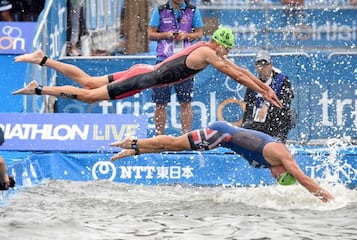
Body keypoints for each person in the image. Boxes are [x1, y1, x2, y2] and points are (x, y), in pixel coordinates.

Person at [12, 27, 282, 109]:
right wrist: (263, 90)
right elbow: (236, 75)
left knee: (88, 81)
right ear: (221, 45)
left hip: (142, 71)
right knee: (89, 96)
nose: (228, 55)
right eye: (228, 50)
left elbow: (243, 72)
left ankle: (43, 59)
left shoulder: (206, 49)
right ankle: (39, 89)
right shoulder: (208, 54)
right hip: (142, 79)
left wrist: (265, 89)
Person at [110, 121, 334, 203]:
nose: (274, 177)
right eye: (280, 176)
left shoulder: (274, 164)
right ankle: (134, 142)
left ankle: (136, 149)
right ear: (285, 170)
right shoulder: (280, 154)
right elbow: (303, 178)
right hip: (221, 134)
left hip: (222, 139)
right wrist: (327, 197)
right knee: (176, 144)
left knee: (174, 146)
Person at [148, 0, 204, 135]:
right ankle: (159, 136)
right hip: (163, 61)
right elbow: (150, 34)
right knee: (160, 103)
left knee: (185, 102)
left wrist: (187, 36)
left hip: (185, 62)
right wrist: (165, 35)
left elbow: (199, 33)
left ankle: (185, 135)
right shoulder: (161, 10)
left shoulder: (193, 10)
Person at [242, 50, 295, 143]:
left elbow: (286, 102)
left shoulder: (282, 79)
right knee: (246, 126)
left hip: (276, 116)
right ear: (256, 67)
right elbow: (248, 108)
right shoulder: (252, 82)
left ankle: (281, 144)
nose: (262, 68)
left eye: (265, 65)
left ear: (271, 65)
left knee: (289, 115)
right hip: (259, 120)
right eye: (259, 65)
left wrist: (267, 106)